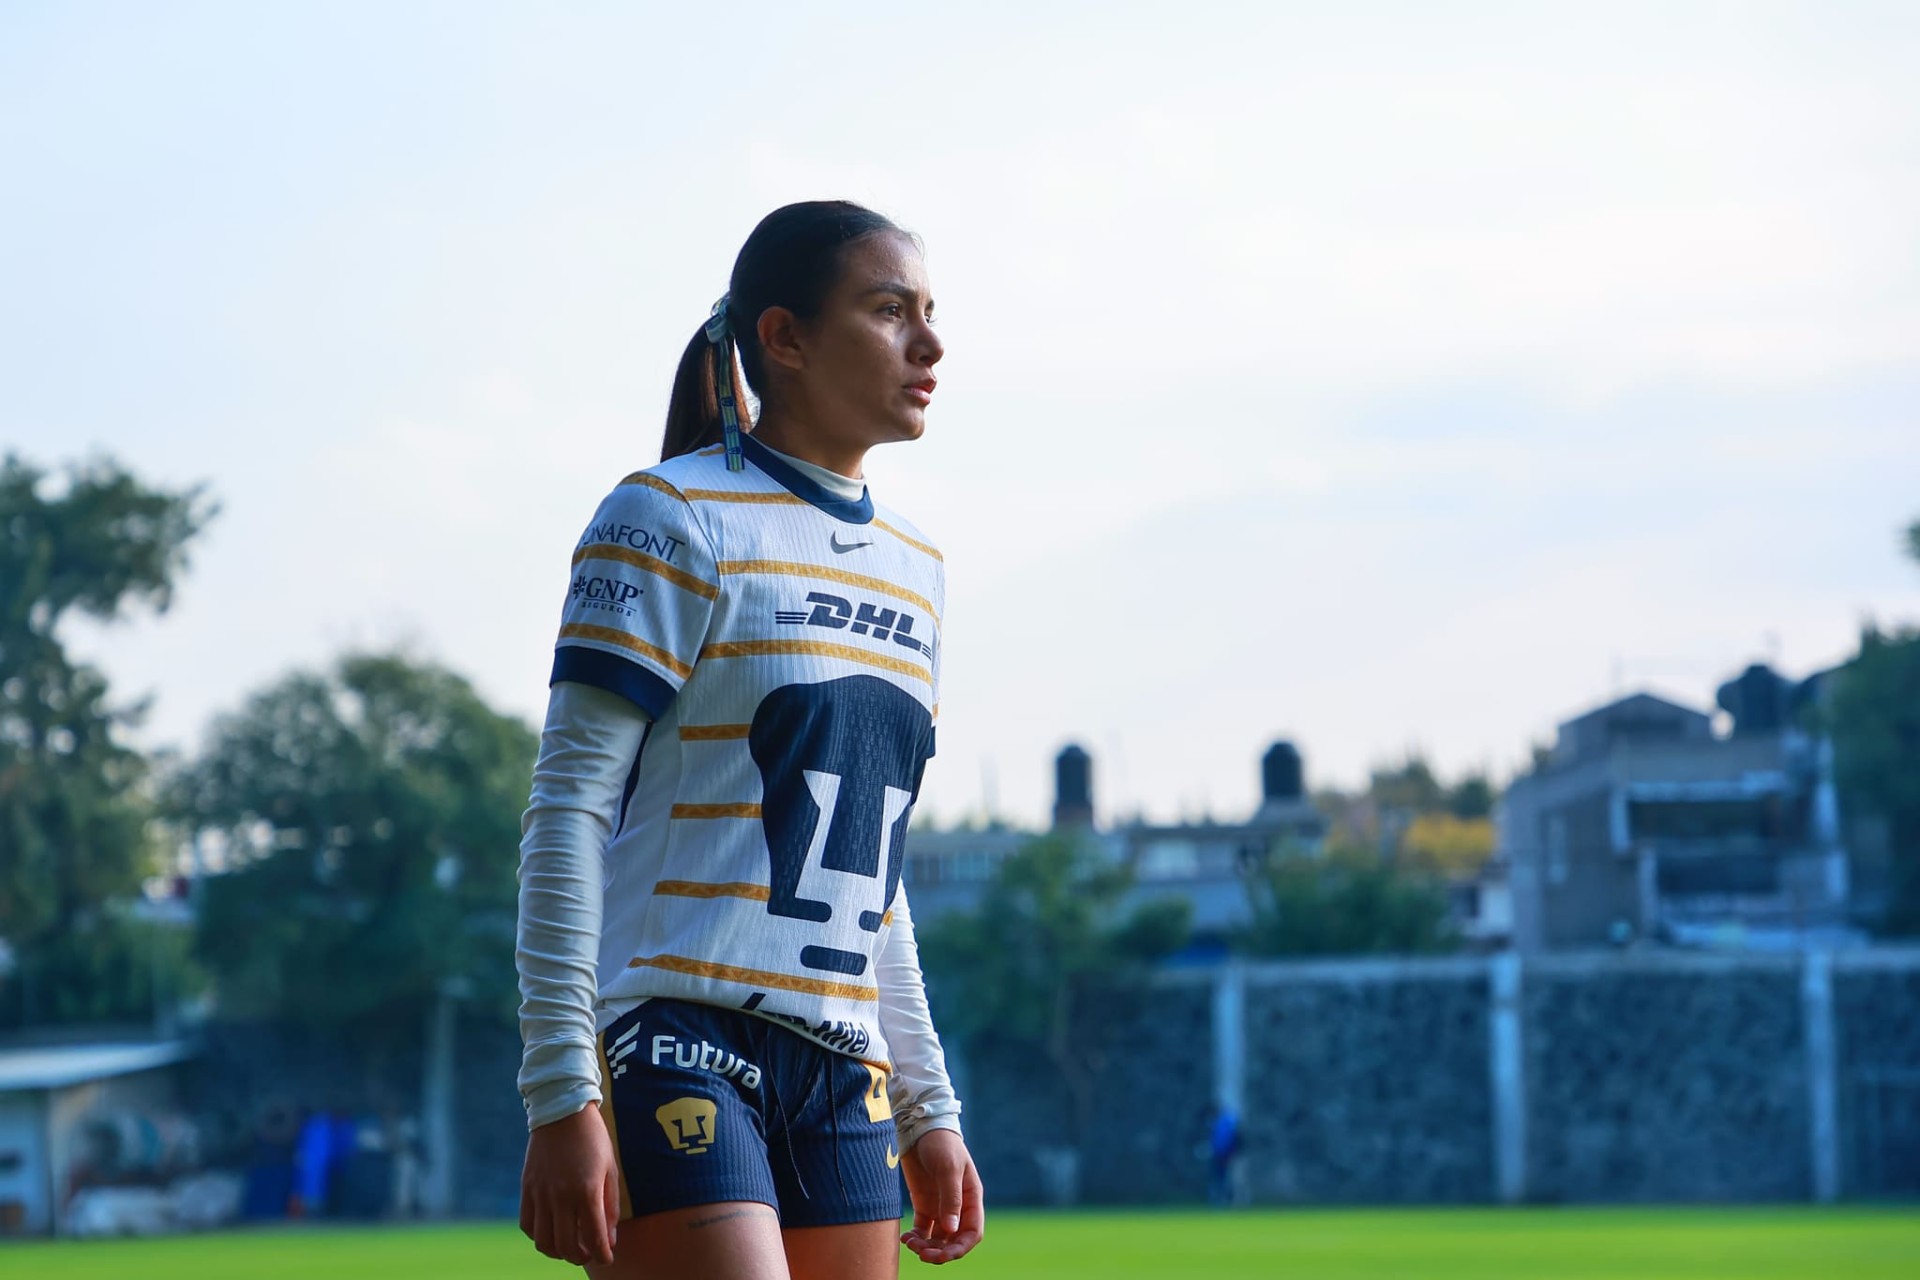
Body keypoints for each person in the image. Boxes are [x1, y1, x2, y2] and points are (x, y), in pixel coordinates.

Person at [515, 200, 984, 1280]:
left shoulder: (918, 569)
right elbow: (567, 809)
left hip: (842, 1066)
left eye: (930, 312)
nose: (929, 343)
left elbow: (872, 867)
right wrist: (560, 1091)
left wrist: (928, 1102)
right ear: (784, 337)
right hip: (673, 1036)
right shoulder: (668, 516)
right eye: (889, 310)